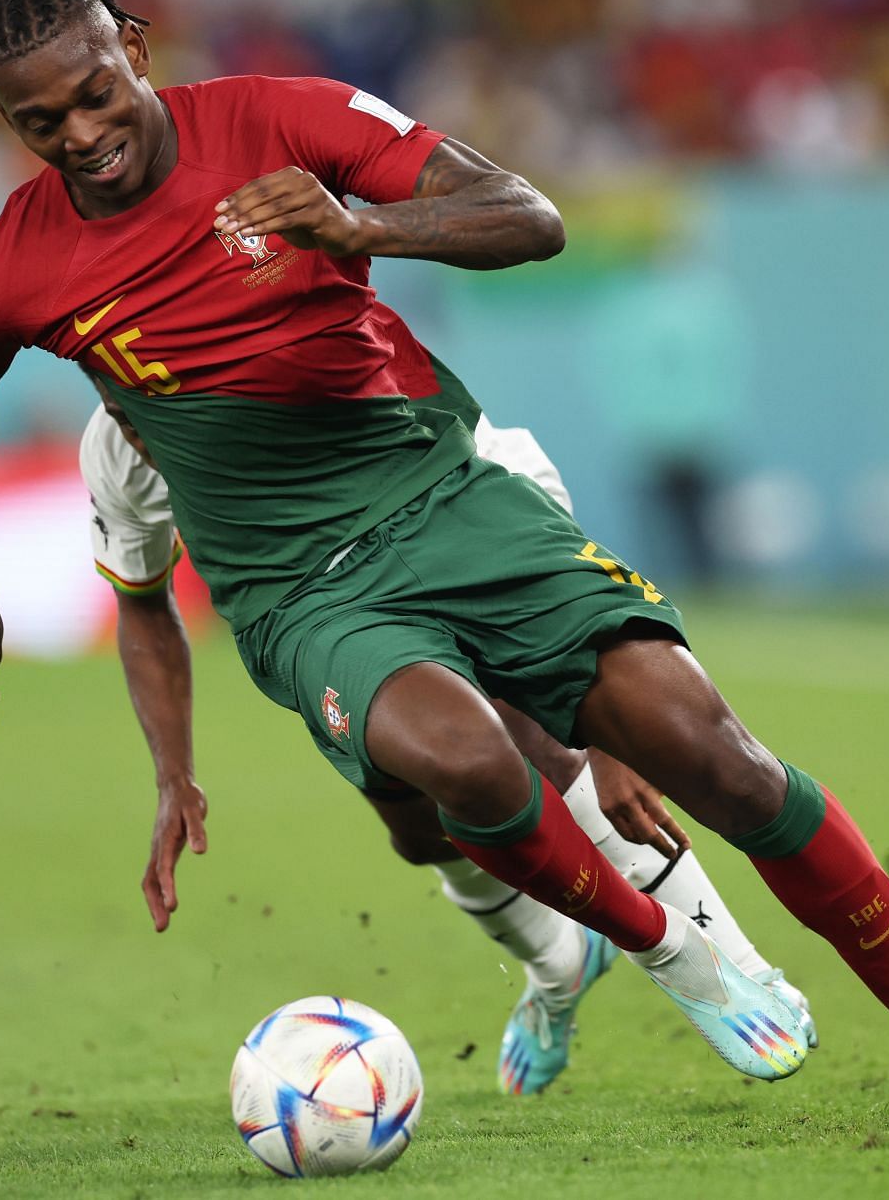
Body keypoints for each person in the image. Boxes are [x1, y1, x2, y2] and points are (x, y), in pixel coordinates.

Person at [0, 0, 889, 1120]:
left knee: (716, 756)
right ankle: (669, 949)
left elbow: (531, 218)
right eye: (38, 121)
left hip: (446, 491)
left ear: (135, 52)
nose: (81, 134)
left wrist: (364, 224)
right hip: (300, 589)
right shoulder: (15, 265)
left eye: (95, 93)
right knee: (460, 765)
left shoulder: (285, 119)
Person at [79, 383, 816, 1095]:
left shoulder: (288, 360)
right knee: (423, 827)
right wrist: (173, 775)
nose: (122, 402)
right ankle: (558, 969)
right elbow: (141, 604)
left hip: (468, 535)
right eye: (103, 385)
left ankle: (743, 972)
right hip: (336, 614)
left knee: (543, 749)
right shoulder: (114, 451)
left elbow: (528, 510)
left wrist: (601, 736)